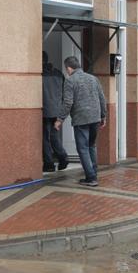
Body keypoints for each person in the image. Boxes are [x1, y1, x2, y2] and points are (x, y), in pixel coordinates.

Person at [54, 56, 107, 187]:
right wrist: (103, 116)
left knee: (83, 148)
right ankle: (93, 173)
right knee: (91, 146)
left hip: (81, 119)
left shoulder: (70, 81)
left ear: (68, 68)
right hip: (95, 118)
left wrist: (60, 119)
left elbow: (68, 102)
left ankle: (91, 177)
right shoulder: (93, 78)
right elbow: (102, 98)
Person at [42, 52, 69, 172]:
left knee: (44, 138)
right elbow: (65, 92)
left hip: (44, 110)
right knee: (54, 136)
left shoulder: (39, 74)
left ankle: (49, 164)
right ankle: (63, 157)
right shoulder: (58, 73)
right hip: (57, 110)